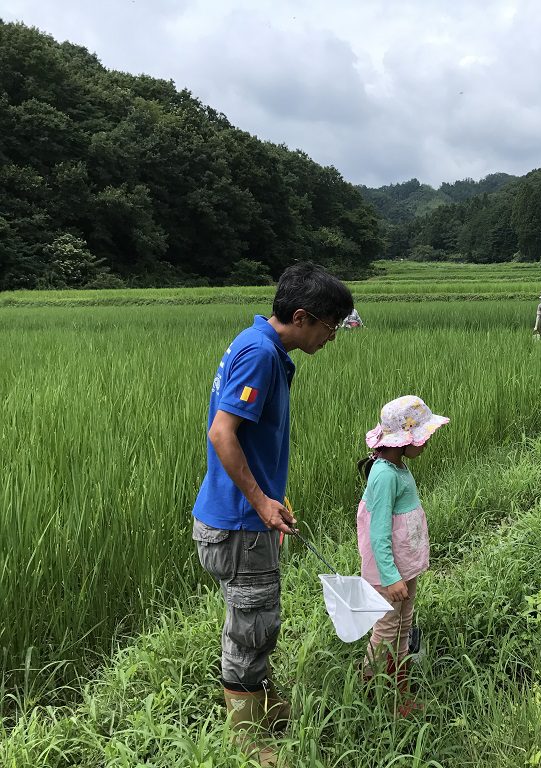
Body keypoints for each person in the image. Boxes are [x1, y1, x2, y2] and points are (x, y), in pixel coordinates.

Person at [191, 262, 352, 759]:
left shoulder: (259, 344)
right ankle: (248, 738)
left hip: (239, 517)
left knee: (253, 618)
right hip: (238, 524)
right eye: (330, 326)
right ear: (302, 318)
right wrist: (260, 502)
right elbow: (222, 433)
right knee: (254, 625)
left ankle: (262, 705)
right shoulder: (261, 353)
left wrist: (269, 497)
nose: (332, 337)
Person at [357, 395, 448, 716]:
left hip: (403, 567)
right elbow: (378, 533)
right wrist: (391, 576)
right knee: (386, 629)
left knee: (403, 626)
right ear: (401, 440)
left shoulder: (397, 466)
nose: (427, 442)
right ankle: (370, 687)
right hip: (390, 573)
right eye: (423, 436)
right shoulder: (383, 476)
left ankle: (400, 690)